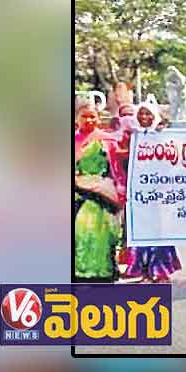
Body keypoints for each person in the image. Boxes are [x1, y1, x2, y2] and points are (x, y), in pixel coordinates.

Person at [123, 104, 182, 282]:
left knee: (159, 230)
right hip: (139, 193)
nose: (144, 117)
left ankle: (160, 270)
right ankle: (145, 271)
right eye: (141, 113)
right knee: (142, 231)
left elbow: (172, 161)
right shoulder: (133, 137)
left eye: (148, 113)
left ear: (155, 116)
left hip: (159, 191)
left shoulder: (163, 137)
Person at [74, 99, 126, 282]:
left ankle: (104, 272)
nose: (89, 120)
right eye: (84, 117)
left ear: (98, 118)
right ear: (76, 119)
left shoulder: (108, 140)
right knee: (81, 232)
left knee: (104, 233)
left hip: (104, 195)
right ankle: (81, 271)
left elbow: (118, 167)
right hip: (79, 194)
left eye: (92, 116)